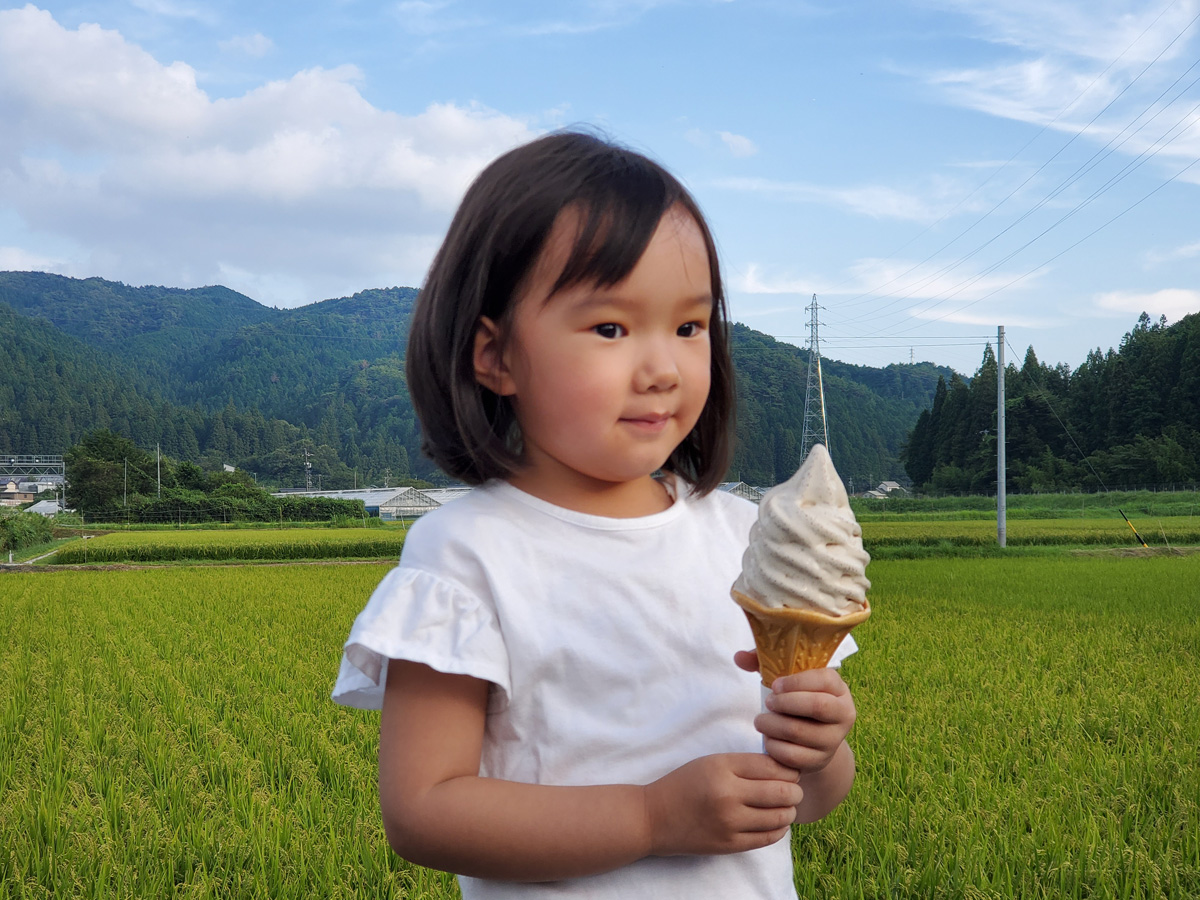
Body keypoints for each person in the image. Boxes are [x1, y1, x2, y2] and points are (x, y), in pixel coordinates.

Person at [332, 131, 860, 899]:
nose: (662, 369)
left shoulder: (749, 541)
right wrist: (650, 817)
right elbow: (423, 810)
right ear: (496, 355)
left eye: (689, 327)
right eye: (611, 328)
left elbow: (806, 802)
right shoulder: (466, 556)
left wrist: (819, 751)